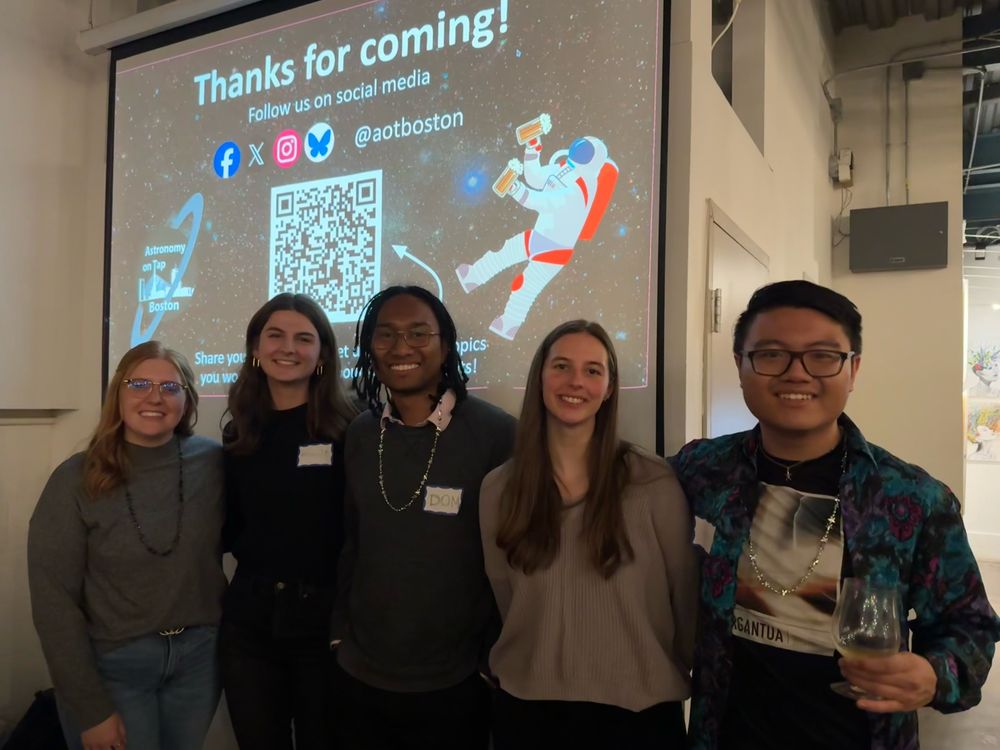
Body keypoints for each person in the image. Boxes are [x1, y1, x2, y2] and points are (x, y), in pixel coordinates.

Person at [670, 280, 1000, 749]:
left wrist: (933, 674)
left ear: (853, 369)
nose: (796, 373)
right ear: (740, 366)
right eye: (770, 354)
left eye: (823, 356)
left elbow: (970, 627)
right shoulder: (702, 470)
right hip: (724, 734)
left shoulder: (912, 498)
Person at [479, 319, 698, 749]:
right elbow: (506, 597)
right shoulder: (499, 490)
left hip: (639, 718)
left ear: (610, 387)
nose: (575, 382)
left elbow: (685, 596)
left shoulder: (653, 482)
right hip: (529, 712)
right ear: (539, 377)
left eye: (593, 370)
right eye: (561, 366)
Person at [330, 285, 516, 750]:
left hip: (456, 681)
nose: (401, 347)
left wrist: (489, 656)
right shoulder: (359, 433)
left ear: (446, 344)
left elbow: (516, 557)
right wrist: (338, 636)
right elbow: (352, 543)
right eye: (385, 335)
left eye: (418, 333)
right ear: (369, 348)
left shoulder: (496, 434)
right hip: (362, 672)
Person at [28, 341, 225, 750]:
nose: (155, 397)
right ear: (117, 394)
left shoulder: (214, 463)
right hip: (115, 666)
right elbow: (53, 602)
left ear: (187, 401)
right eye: (139, 384)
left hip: (199, 660)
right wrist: (89, 708)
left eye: (170, 387)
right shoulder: (76, 479)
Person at [219, 293, 356, 750]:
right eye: (274, 335)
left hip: (323, 623)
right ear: (256, 348)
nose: (288, 348)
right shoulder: (239, 429)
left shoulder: (349, 428)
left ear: (321, 355)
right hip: (250, 624)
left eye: (304, 338)